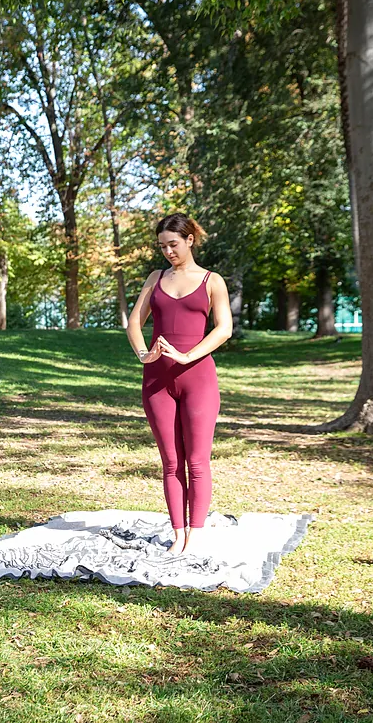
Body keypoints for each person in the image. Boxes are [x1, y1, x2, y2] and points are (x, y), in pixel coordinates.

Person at [126, 214, 233, 555]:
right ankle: (177, 535)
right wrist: (144, 354)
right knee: (171, 462)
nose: (168, 251)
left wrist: (188, 356)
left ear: (190, 240)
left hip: (198, 378)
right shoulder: (155, 278)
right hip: (157, 381)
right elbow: (133, 323)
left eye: (173, 244)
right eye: (162, 246)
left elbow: (223, 329)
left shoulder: (211, 281)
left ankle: (196, 535)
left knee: (197, 461)